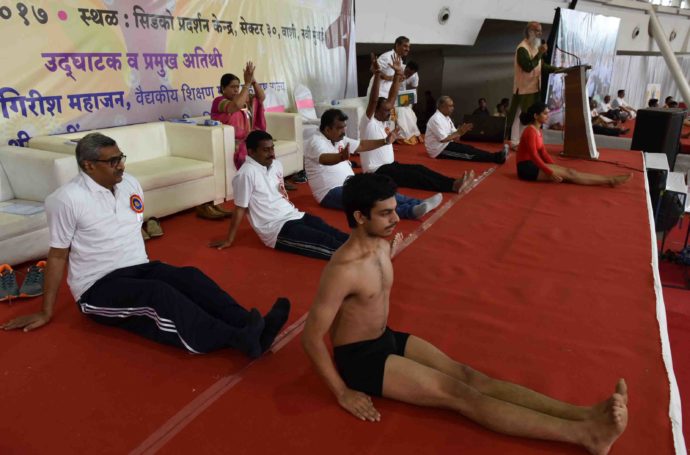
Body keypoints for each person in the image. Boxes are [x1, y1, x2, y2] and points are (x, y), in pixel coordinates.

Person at [302, 172, 629, 454]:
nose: (396, 218)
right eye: (385, 213)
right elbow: (312, 336)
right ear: (360, 217)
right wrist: (342, 392)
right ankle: (586, 435)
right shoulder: (342, 269)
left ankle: (583, 414)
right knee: (459, 394)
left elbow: (372, 288)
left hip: (385, 338)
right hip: (360, 360)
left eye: (394, 210)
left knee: (473, 377)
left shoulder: (381, 242)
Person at [1, 133, 290, 359]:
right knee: (159, 294)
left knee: (189, 277)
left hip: (137, 267)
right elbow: (58, 254)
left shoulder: (130, 184)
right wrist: (46, 310)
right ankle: (232, 338)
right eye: (112, 161)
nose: (121, 165)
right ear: (88, 165)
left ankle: (252, 325)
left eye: (121, 157)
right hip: (96, 287)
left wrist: (150, 267)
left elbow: (131, 229)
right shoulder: (65, 199)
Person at [211, 130, 348, 260]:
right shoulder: (246, 174)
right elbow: (240, 208)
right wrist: (229, 239)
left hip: (295, 214)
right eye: (266, 150)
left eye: (272, 148)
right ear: (251, 152)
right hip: (276, 228)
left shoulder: (276, 164)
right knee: (326, 243)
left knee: (331, 231)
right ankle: (363, 257)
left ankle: (367, 247)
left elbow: (278, 191)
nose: (271, 153)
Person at [517, 102, 632, 186]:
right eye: (545, 113)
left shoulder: (537, 130)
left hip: (532, 164)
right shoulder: (530, 131)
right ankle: (610, 180)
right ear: (536, 116)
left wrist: (555, 167)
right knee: (570, 174)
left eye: (548, 113)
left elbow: (543, 152)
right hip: (526, 169)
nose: (548, 116)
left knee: (569, 173)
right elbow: (534, 155)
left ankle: (610, 180)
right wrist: (550, 171)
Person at [505, 21, 559, 145]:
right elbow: (528, 67)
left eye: (540, 31)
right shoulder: (522, 48)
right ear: (530, 32)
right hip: (523, 88)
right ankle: (514, 140)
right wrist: (540, 53)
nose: (540, 34)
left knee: (530, 116)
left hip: (534, 87)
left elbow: (540, 66)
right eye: (537, 31)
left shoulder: (534, 47)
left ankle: (526, 141)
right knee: (521, 116)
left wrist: (557, 69)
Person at [426, 96, 508, 163]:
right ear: (442, 106)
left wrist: (462, 131)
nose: (453, 108)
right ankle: (496, 158)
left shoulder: (446, 118)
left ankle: (497, 156)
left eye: (453, 106)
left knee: (470, 149)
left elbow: (455, 135)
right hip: (439, 150)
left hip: (447, 145)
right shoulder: (436, 118)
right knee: (469, 154)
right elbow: (443, 139)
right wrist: (459, 132)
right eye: (450, 106)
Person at [395, 61, 423, 145]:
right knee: (401, 111)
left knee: (410, 112)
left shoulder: (415, 76)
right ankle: (402, 136)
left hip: (402, 96)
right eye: (408, 73)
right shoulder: (398, 69)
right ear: (406, 68)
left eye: (411, 74)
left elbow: (415, 90)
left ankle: (412, 133)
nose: (409, 75)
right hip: (391, 93)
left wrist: (413, 102)